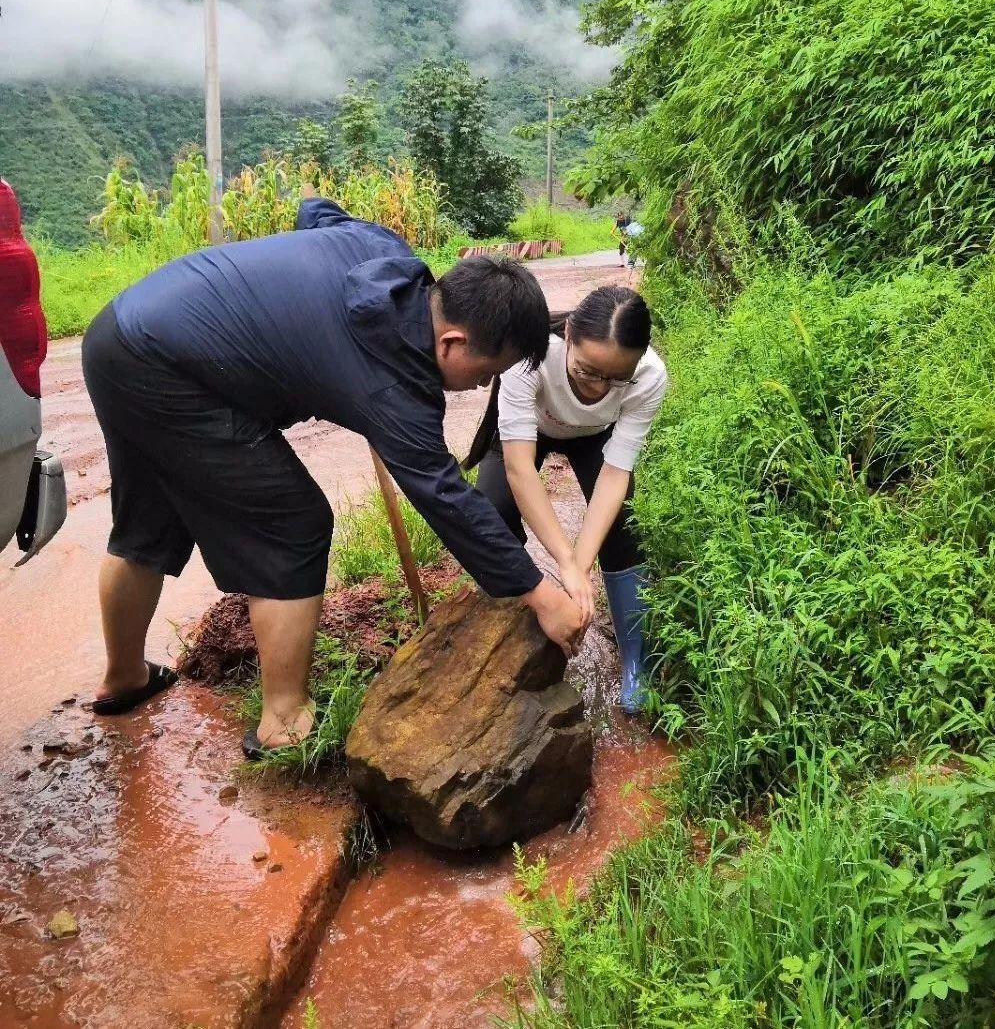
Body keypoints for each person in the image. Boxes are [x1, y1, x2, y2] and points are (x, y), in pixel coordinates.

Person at [82, 196, 583, 756]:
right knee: (292, 524)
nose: (478, 388)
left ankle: (125, 677)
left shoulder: (388, 255)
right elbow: (446, 497)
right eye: (485, 373)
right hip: (169, 369)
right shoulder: (394, 388)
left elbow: (315, 212)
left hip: (120, 334)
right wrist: (540, 593)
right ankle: (284, 722)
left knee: (149, 520)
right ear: (453, 342)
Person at [464, 285, 668, 713]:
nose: (599, 388)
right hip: (533, 430)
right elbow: (520, 469)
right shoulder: (530, 355)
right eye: (589, 370)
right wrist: (563, 561)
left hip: (595, 438)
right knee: (493, 509)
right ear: (570, 333)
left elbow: (615, 473)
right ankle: (522, 616)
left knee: (623, 522)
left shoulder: (648, 376)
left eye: (617, 379)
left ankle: (636, 662)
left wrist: (583, 564)